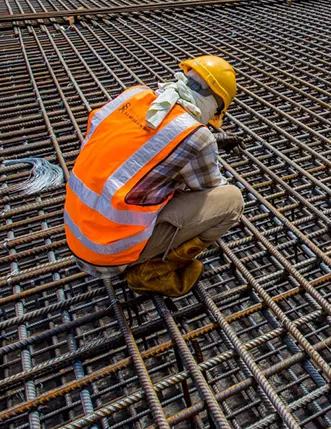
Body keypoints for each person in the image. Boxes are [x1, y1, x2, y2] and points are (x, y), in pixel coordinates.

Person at [64, 55, 247, 297]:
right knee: (231, 201)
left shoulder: (134, 95)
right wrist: (205, 147)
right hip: (109, 254)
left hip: (77, 234)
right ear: (214, 104)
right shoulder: (195, 136)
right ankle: (152, 271)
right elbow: (210, 190)